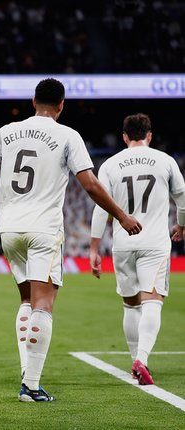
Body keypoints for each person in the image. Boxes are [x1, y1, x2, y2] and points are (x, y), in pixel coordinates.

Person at [0, 78, 142, 402]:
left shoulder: (7, 131)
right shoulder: (67, 135)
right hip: (43, 229)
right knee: (43, 304)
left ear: (33, 101)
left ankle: (26, 371)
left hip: (9, 230)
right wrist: (122, 216)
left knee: (26, 301)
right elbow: (90, 184)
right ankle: (31, 385)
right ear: (61, 105)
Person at [90, 113, 185, 385]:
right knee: (152, 300)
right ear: (149, 135)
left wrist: (94, 247)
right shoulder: (165, 161)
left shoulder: (110, 164)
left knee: (130, 305)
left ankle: (135, 361)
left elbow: (101, 208)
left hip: (123, 244)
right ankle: (141, 360)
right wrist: (181, 226)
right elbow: (183, 198)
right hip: (154, 243)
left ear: (124, 136)